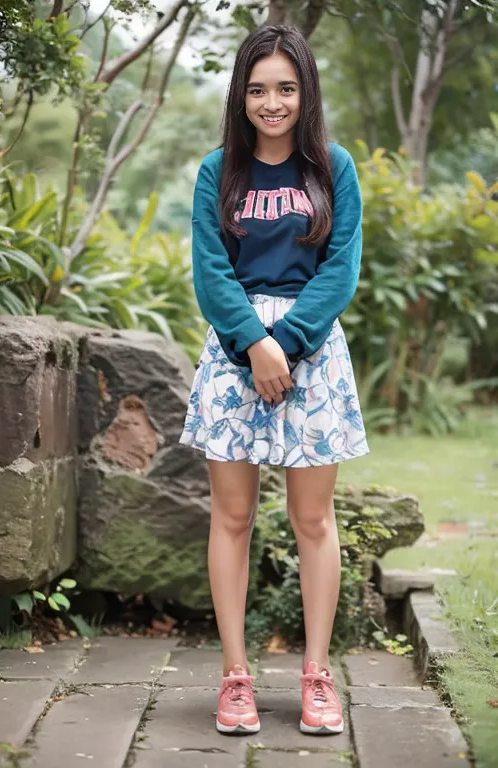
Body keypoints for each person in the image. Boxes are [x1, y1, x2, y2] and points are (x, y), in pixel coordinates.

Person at [179, 24, 369, 736]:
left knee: (313, 519)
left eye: (286, 88)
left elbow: (340, 267)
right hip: (233, 356)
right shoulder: (218, 171)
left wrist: (284, 344)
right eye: (258, 89)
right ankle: (235, 678)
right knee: (231, 518)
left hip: (312, 356)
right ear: (241, 94)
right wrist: (253, 344)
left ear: (305, 92)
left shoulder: (333, 171)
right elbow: (210, 270)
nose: (272, 102)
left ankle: (318, 677)